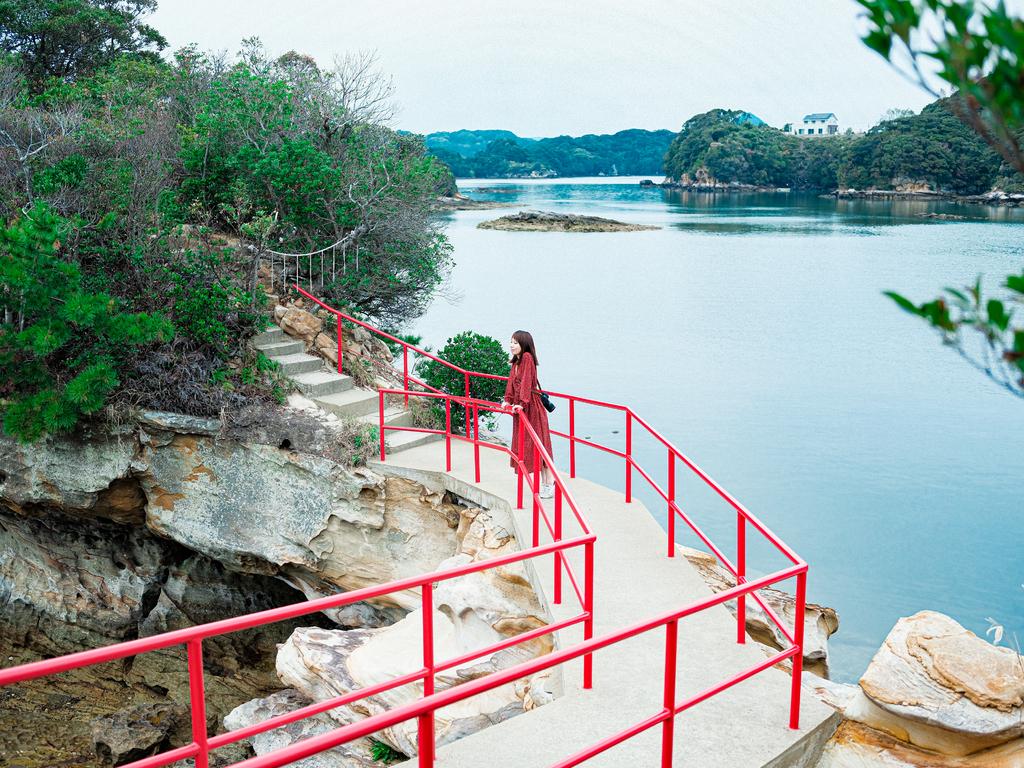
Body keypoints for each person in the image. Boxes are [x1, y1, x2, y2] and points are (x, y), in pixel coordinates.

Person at [503, 330, 555, 499]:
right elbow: (512, 383)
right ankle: (547, 483)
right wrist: (508, 400)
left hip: (531, 407)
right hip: (522, 408)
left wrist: (521, 403)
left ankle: (549, 483)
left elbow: (526, 383)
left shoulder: (527, 358)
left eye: (515, 343)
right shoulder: (516, 361)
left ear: (524, 344)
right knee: (533, 445)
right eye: (511, 342)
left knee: (539, 444)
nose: (511, 345)